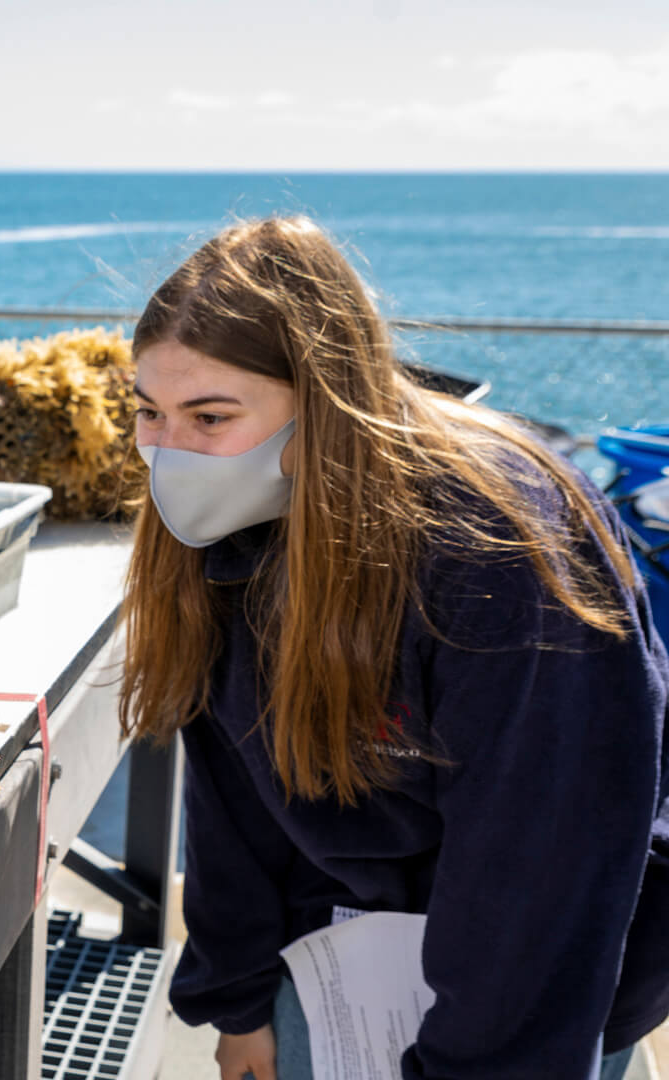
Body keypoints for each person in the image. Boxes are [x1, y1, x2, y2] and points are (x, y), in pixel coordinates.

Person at [119, 217, 669, 1079]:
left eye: (211, 416)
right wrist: (237, 1004)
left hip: (549, 989)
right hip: (345, 967)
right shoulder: (223, 534)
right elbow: (232, 799)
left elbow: (542, 865)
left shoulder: (500, 552)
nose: (167, 450)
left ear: (324, 402)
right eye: (148, 412)